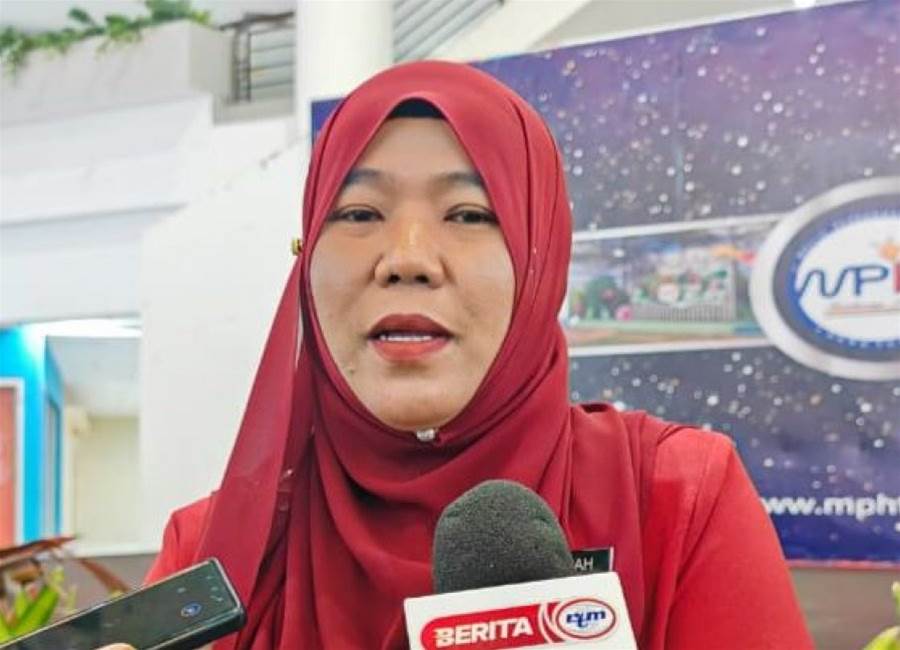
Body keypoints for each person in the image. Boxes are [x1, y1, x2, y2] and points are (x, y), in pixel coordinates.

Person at [137, 61, 814, 649]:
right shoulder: (212, 554)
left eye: (468, 215)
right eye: (358, 214)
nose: (406, 259)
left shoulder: (675, 497)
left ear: (541, 257)